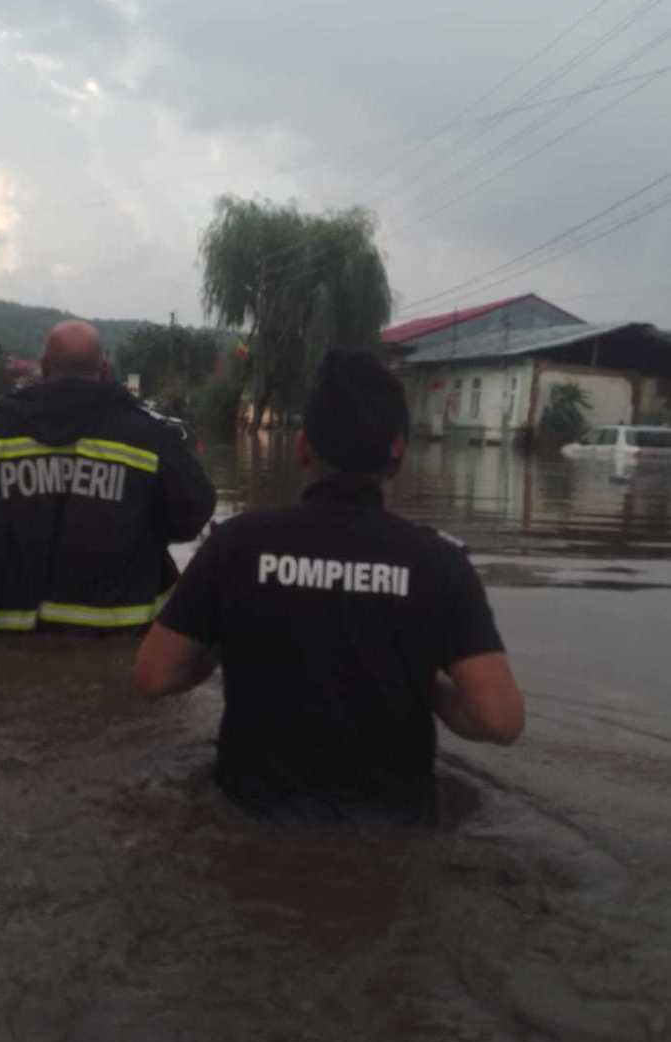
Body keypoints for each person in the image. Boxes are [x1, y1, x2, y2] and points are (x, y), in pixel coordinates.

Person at [134, 348, 524, 814]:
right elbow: (501, 721)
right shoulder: (440, 563)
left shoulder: (235, 545)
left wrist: (224, 645)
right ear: (397, 450)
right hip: (393, 827)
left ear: (303, 447)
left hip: (251, 814)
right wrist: (428, 683)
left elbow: (153, 676)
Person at [0, 320, 216, 639]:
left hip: (4, 639)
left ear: (45, 367)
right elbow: (194, 512)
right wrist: (142, 533)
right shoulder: (151, 436)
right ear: (104, 368)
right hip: (117, 638)